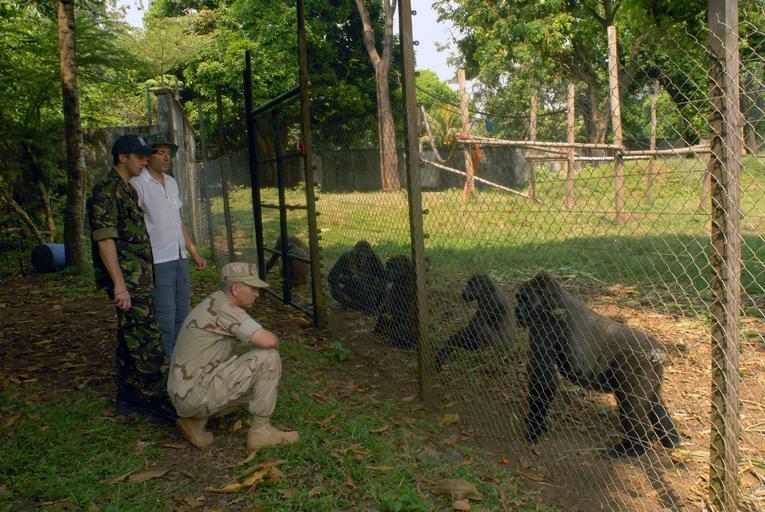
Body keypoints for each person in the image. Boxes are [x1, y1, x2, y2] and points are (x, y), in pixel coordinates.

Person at [89, 134, 176, 422]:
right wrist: (120, 285)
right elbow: (105, 240)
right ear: (122, 157)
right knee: (146, 335)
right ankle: (158, 398)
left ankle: (129, 396)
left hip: (138, 277)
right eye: (139, 156)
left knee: (130, 335)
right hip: (128, 280)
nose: (144, 161)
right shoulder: (107, 191)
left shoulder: (125, 189)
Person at [168, 262, 299, 451]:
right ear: (236, 289)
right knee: (269, 358)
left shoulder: (214, 301)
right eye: (253, 288)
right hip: (193, 393)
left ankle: (195, 422)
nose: (257, 294)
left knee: (256, 384)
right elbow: (268, 341)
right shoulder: (225, 308)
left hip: (185, 393)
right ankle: (261, 432)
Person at [130, 133, 207, 357]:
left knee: (183, 311)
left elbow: (177, 220)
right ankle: (164, 365)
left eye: (168, 153)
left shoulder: (172, 182)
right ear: (147, 156)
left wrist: (192, 251)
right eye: (160, 153)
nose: (166, 158)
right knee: (165, 315)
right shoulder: (138, 184)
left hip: (179, 256)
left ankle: (180, 362)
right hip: (158, 259)